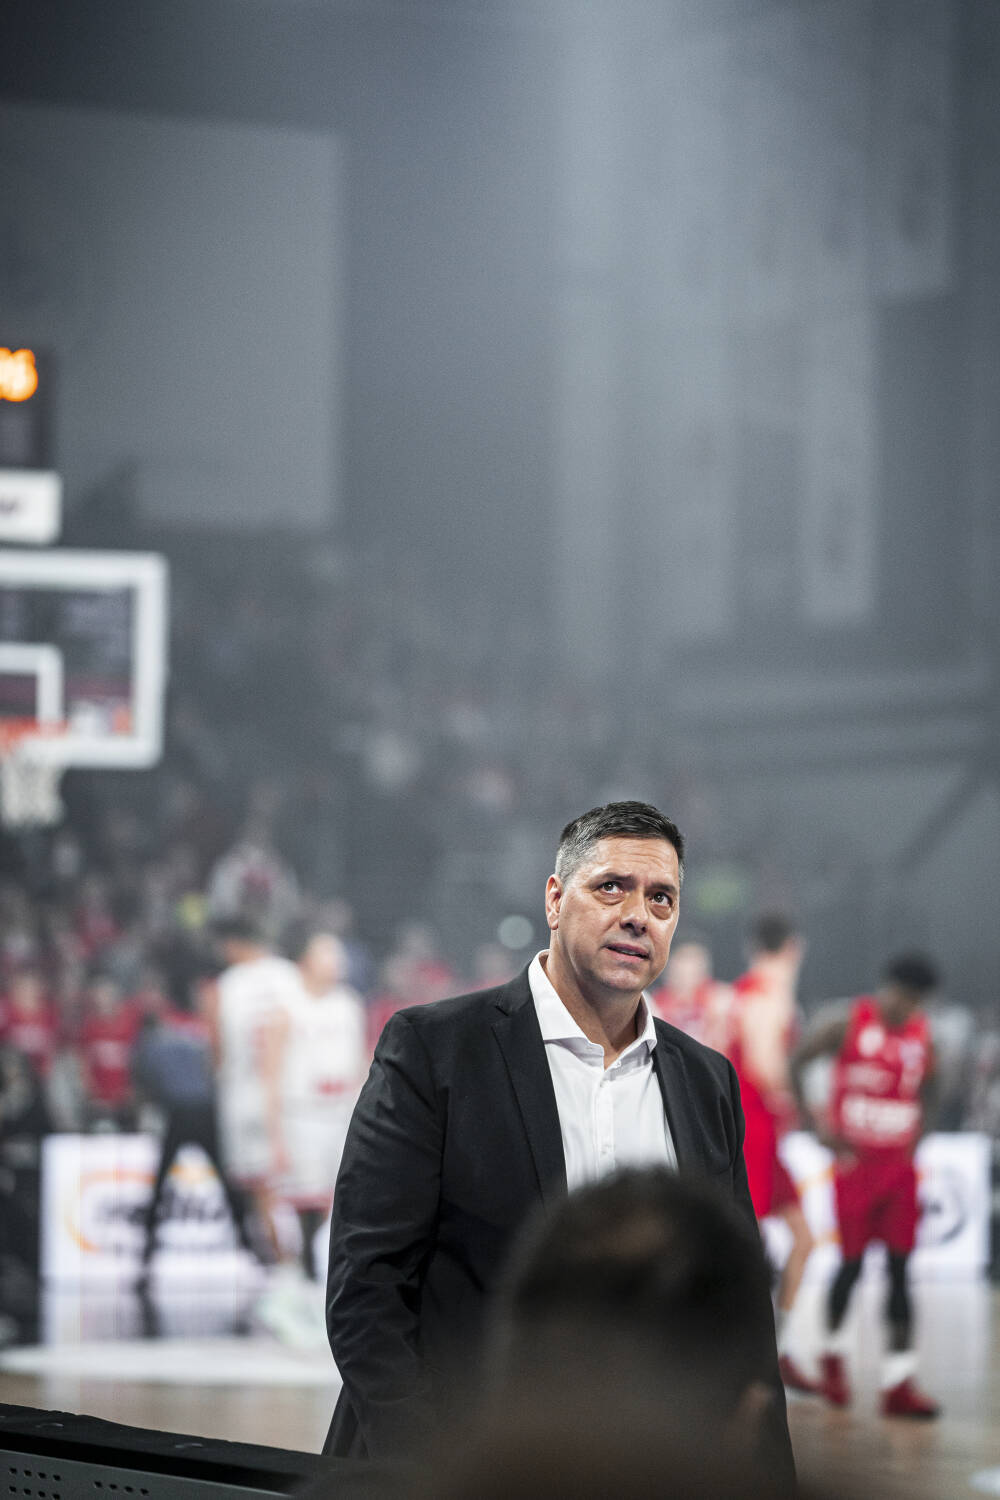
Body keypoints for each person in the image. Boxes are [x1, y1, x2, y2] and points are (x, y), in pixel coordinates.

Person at [325, 800, 794, 1485]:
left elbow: (740, 1314)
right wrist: (434, 1472)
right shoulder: (434, 1048)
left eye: (661, 898)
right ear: (554, 899)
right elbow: (367, 1291)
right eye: (612, 887)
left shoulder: (707, 1082)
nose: (638, 915)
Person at [789, 952, 941, 1418]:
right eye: (903, 996)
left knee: (900, 1270)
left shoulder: (922, 1034)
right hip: (855, 1166)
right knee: (851, 1267)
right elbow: (799, 1061)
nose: (906, 1007)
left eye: (915, 1001)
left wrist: (921, 1134)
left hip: (898, 1170)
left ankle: (899, 1383)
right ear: (886, 987)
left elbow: (934, 1086)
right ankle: (832, 1359)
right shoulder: (847, 1022)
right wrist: (814, 1124)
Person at [729, 914, 816, 1394]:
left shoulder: (738, 992)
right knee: (752, 1245)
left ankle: (780, 1350)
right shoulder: (770, 994)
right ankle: (751, 1354)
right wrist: (799, 1102)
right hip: (757, 1129)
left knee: (802, 1238)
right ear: (793, 948)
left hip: (752, 1128)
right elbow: (765, 1065)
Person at [650, 937, 734, 1053]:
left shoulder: (720, 999)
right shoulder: (655, 1005)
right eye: (683, 964)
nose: (688, 972)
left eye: (695, 966)